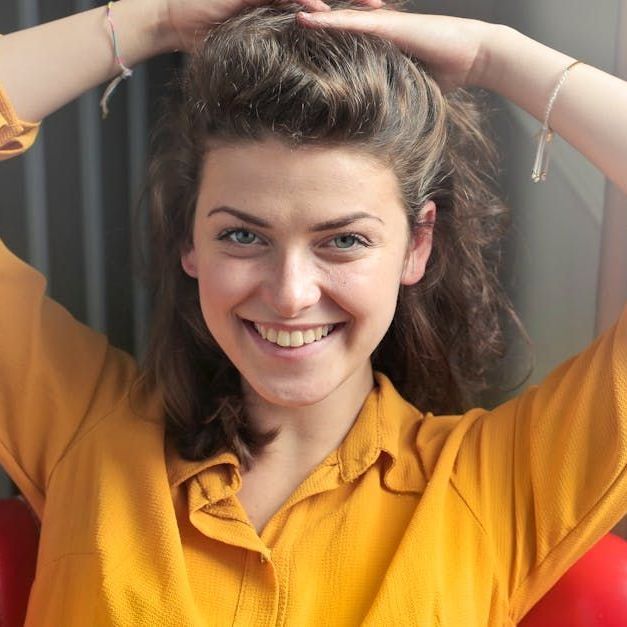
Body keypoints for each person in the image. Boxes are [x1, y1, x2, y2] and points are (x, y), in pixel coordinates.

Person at [0, 0, 625, 624]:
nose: (291, 293)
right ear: (189, 239)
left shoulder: (498, 485)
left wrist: (494, 55)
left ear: (417, 245)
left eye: (344, 240)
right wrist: (155, 20)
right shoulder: (82, 427)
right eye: (243, 237)